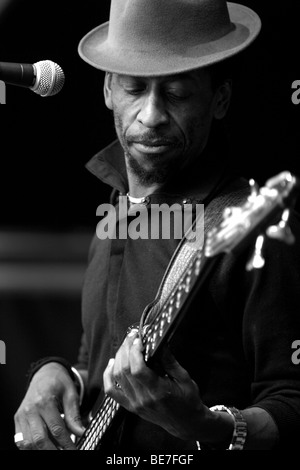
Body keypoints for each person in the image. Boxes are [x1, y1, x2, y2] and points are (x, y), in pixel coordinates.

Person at [14, 0, 300, 452]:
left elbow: (291, 399)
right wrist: (55, 373)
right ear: (108, 89)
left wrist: (205, 426)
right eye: (133, 88)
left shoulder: (257, 229)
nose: (150, 115)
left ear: (219, 98)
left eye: (178, 93)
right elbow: (97, 363)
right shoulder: (115, 210)